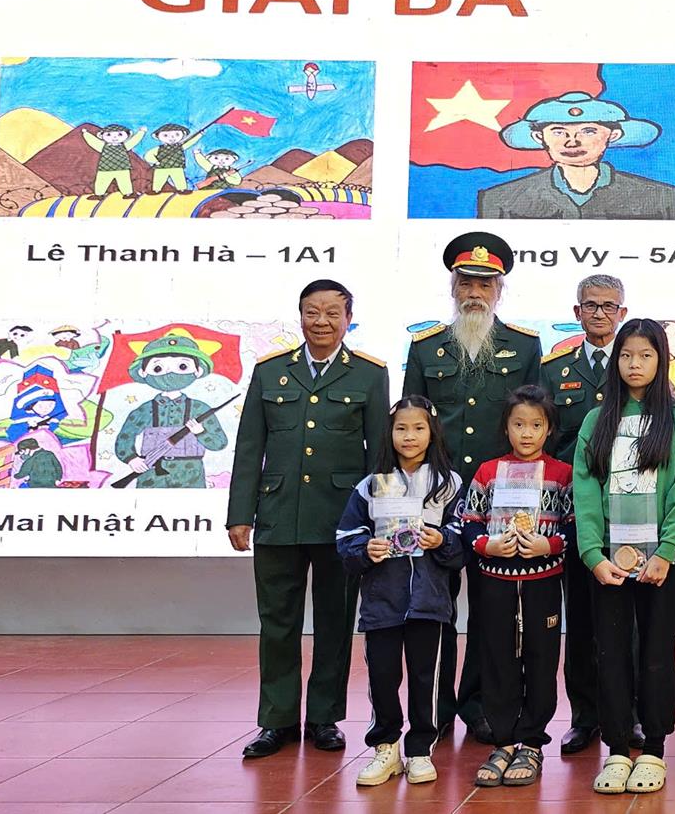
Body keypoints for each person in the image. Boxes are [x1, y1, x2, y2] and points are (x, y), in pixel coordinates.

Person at [226, 279, 389, 759]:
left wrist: (376, 519)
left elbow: (378, 456)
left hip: (342, 521)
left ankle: (324, 718)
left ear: (348, 320)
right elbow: (250, 447)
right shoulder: (270, 371)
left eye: (333, 313)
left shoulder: (369, 374)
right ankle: (276, 720)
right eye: (312, 312)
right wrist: (240, 514)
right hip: (278, 516)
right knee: (277, 623)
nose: (322, 322)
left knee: (335, 622)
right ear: (299, 316)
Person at [402, 233, 542, 742]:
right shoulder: (425, 347)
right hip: (437, 495)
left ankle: (479, 704)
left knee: (490, 609)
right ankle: (435, 709)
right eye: (466, 282)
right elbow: (410, 425)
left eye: (485, 284)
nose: (475, 292)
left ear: (499, 289)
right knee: (434, 604)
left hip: (499, 496)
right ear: (453, 287)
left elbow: (532, 422)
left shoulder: (524, 346)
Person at [573, 319, 675, 795]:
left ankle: (654, 750)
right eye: (626, 355)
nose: (635, 364)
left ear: (661, 360)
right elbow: (586, 490)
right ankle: (616, 748)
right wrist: (592, 554)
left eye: (646, 355)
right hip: (609, 561)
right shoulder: (597, 420)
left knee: (655, 653)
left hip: (663, 561)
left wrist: (667, 550)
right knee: (610, 654)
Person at [337, 395, 467, 787]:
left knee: (426, 678)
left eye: (418, 428)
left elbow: (462, 539)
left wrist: (440, 539)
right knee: (382, 676)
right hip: (382, 602)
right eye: (401, 428)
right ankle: (386, 748)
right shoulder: (372, 486)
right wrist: (367, 549)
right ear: (389, 433)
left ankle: (420, 750)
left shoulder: (448, 484)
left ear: (433, 432)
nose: (409, 436)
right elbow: (346, 536)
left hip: (430, 602)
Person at [538, 273, 633, 755]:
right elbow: (544, 438)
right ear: (577, 312)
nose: (599, 313)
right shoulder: (554, 370)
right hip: (576, 510)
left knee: (627, 621)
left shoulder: (637, 363)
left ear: (623, 312)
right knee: (579, 616)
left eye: (608, 306)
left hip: (631, 510)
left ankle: (629, 715)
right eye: (590, 305)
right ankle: (584, 716)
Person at [463, 386, 574, 788]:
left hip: (543, 583)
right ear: (506, 428)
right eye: (518, 424)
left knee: (542, 659)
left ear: (549, 429)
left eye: (536, 425)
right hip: (496, 582)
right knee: (498, 658)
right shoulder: (488, 472)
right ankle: (504, 740)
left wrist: (551, 545)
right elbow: (469, 522)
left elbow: (574, 527)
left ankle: (531, 741)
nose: (527, 433)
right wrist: (486, 545)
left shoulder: (562, 474)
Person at [478, 92, 675, 220]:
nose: (572, 142)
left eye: (588, 131)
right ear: (539, 137)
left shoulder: (661, 197)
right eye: (558, 132)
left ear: (613, 135)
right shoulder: (501, 199)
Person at [113, 328, 230, 489]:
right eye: (158, 368)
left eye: (182, 366)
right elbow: (125, 436)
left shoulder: (200, 408)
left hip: (191, 474)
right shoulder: (145, 410)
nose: (169, 372)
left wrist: (200, 432)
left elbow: (219, 443)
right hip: (152, 474)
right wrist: (131, 458)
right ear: (143, 372)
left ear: (198, 371)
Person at [81, 123, 143, 197]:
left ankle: (128, 193)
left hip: (122, 168)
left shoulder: (125, 146)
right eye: (108, 135)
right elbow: (93, 142)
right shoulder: (102, 147)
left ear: (128, 135)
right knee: (101, 182)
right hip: (105, 169)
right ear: (101, 136)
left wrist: (141, 132)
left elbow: (134, 141)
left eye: (120, 134)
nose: (114, 137)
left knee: (124, 181)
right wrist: (86, 134)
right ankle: (99, 194)